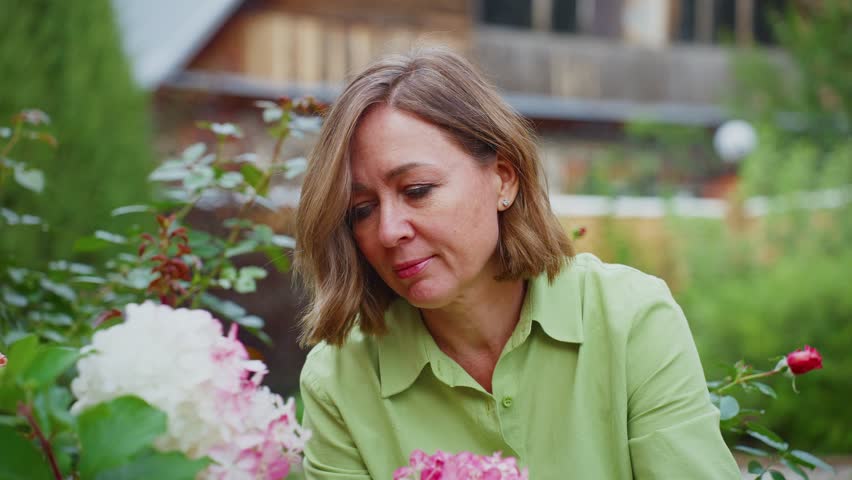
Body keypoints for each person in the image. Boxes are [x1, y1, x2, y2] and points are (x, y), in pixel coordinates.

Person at [294, 47, 740, 479]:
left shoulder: (630, 320)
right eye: (362, 210)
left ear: (503, 179)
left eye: (417, 190)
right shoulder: (339, 380)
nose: (389, 231)